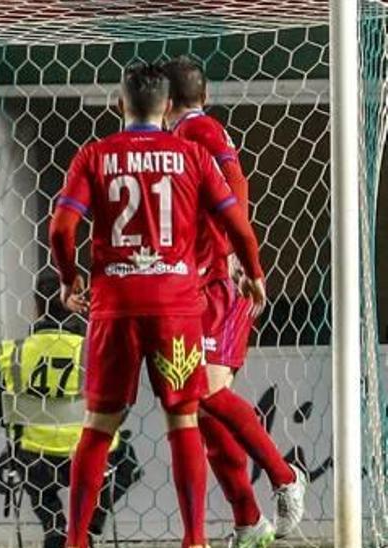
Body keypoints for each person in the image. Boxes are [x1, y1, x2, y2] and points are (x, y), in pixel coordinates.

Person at [48, 62, 268, 548]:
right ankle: (195, 540)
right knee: (184, 418)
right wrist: (252, 274)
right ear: (168, 108)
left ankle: (76, 540)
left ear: (119, 104)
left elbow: (61, 229)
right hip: (176, 308)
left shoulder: (94, 155)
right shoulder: (190, 154)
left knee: (99, 424)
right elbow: (237, 222)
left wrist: (69, 280)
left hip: (114, 307)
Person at [163, 55, 305, 546]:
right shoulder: (184, 136)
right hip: (196, 286)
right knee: (200, 411)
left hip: (220, 285)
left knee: (201, 393)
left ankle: (284, 475)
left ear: (167, 100)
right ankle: (248, 521)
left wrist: (234, 257)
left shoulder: (199, 132)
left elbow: (236, 189)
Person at [0, 272, 136, 548]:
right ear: (78, 302)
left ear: (37, 306)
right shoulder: (96, 351)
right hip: (89, 457)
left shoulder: (10, 352)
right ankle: (88, 529)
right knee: (128, 461)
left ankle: (53, 526)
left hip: (34, 460)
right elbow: (121, 405)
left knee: (22, 455)